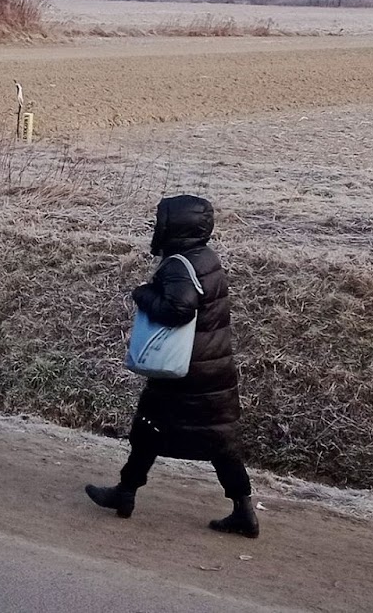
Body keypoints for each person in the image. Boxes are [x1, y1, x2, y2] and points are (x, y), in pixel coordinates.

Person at [85, 194, 258, 537]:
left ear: (174, 226)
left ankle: (125, 493)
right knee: (220, 441)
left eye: (161, 220)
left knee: (149, 427)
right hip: (212, 367)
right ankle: (243, 510)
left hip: (184, 372)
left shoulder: (179, 263)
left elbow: (178, 309)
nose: (156, 226)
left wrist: (142, 294)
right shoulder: (205, 257)